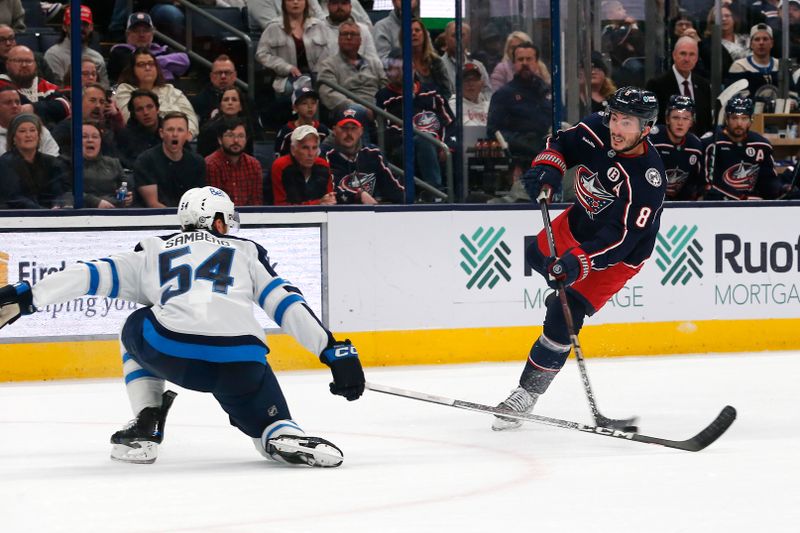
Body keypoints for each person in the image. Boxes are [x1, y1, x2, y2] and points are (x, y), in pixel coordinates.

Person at [0, 185, 365, 467]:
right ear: (218, 222)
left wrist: (28, 296)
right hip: (242, 363)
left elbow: (88, 274)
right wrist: (332, 350)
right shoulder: (247, 250)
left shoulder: (151, 250)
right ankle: (281, 430)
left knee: (133, 327)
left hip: (175, 353)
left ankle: (147, 420)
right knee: (256, 381)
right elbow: (285, 303)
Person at [491, 87, 665, 430]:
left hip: (617, 256)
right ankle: (561, 288)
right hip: (577, 223)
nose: (616, 127)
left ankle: (526, 394)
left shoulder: (647, 181)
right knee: (535, 253)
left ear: (645, 128)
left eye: (627, 122)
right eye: (615, 117)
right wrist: (550, 171)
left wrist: (575, 264)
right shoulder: (597, 130)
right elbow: (560, 145)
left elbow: (621, 239)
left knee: (563, 313)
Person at [375, 48, 453, 193]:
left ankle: (458, 194)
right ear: (389, 72)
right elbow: (385, 134)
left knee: (455, 150)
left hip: (437, 146)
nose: (402, 73)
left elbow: (451, 123)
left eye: (406, 67)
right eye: (396, 69)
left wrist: (447, 144)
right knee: (424, 141)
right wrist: (421, 138)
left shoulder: (432, 92)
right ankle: (435, 192)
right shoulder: (384, 97)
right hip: (402, 148)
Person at [701, 96, 782, 200]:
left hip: (754, 205)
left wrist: (781, 188)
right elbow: (709, 184)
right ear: (726, 119)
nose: (739, 123)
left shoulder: (762, 145)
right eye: (734, 118)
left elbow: (769, 180)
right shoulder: (711, 144)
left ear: (751, 120)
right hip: (721, 205)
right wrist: (741, 198)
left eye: (744, 118)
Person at [322, 105, 404, 204]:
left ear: (361, 131)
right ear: (334, 130)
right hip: (336, 215)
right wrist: (359, 195)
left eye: (353, 128)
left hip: (369, 215)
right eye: (344, 128)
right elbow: (330, 195)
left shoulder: (373, 154)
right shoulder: (325, 155)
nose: (349, 133)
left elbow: (393, 189)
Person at [487, 42, 552, 162]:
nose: (525, 63)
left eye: (529, 59)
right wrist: (526, 144)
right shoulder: (503, 95)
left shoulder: (547, 92)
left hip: (550, 157)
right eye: (520, 59)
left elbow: (562, 120)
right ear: (514, 64)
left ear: (537, 63)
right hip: (519, 158)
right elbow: (493, 131)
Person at [113, 48, 199, 137]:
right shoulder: (124, 91)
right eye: (141, 65)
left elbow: (191, 118)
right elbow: (129, 118)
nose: (147, 68)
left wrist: (188, 134)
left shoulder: (171, 90)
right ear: (132, 69)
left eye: (151, 64)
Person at [254, 0, 331, 97]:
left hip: (317, 76)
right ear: (284, 3)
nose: (295, 2)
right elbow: (261, 54)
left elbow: (328, 52)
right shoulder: (274, 27)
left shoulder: (319, 26)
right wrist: (286, 67)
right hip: (286, 78)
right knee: (297, 89)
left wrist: (316, 74)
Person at [134, 111, 206, 207]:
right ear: (161, 133)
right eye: (170, 129)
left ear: (188, 135)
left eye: (180, 130)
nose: (175, 134)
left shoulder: (197, 162)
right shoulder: (145, 161)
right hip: (155, 218)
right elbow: (152, 203)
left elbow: (198, 200)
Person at [645, 36, 713, 136]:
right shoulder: (656, 84)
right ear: (674, 55)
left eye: (692, 54)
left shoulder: (704, 85)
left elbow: (707, 123)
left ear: (697, 58)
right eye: (683, 53)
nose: (687, 59)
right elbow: (652, 122)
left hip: (697, 146)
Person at [0, 113, 69, 209]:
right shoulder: (5, 163)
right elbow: (14, 198)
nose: (28, 135)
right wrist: (44, 212)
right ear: (14, 138)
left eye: (32, 130)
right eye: (22, 131)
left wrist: (57, 205)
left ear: (38, 135)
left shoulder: (52, 162)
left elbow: (60, 191)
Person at [107, 12, 190, 84]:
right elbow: (131, 66)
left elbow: (184, 60)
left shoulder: (163, 49)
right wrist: (165, 65)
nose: (141, 35)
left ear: (152, 33)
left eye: (146, 30)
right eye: (136, 31)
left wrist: (148, 63)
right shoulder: (119, 51)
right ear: (128, 34)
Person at [649, 95, 705, 201]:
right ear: (667, 119)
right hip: (650, 200)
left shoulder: (695, 145)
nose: (680, 123)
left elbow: (696, 182)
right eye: (675, 117)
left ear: (691, 122)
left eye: (686, 118)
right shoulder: (652, 139)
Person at [0, 45, 71, 126]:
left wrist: (34, 108)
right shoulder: (2, 83)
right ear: (7, 64)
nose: (24, 65)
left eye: (28, 61)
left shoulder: (47, 86)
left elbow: (64, 106)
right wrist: (47, 110)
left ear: (35, 65)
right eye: (18, 61)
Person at [43, 5, 110, 87]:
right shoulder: (53, 55)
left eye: (85, 24)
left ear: (91, 27)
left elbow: (105, 90)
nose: (80, 28)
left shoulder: (98, 58)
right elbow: (57, 89)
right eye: (75, 24)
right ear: (64, 27)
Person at [271, 124, 337, 205]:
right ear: (293, 149)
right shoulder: (280, 166)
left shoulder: (323, 165)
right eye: (305, 148)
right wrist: (317, 203)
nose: (311, 153)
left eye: (314, 148)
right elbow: (280, 207)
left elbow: (330, 199)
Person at [204, 117, 264, 206]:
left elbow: (256, 202)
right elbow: (214, 203)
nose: (236, 141)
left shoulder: (254, 165)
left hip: (250, 217)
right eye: (230, 135)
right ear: (220, 140)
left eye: (240, 136)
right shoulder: (211, 164)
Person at [80, 121, 133, 208]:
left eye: (95, 137)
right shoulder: (66, 163)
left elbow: (125, 185)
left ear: (100, 141)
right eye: (84, 137)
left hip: (114, 211)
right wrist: (96, 202)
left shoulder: (113, 163)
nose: (90, 140)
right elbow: (67, 193)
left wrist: (127, 197)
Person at [0, 85, 60, 156]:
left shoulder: (40, 130)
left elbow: (54, 160)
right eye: (8, 103)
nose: (15, 106)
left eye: (17, 102)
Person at [196, 86, 255, 157]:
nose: (230, 103)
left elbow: (249, 155)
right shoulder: (208, 129)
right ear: (220, 106)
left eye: (234, 99)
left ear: (240, 106)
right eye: (226, 100)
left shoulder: (247, 127)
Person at [274, 86, 331, 157]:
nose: (310, 106)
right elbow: (279, 156)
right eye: (304, 103)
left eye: (313, 103)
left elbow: (328, 154)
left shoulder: (322, 130)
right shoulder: (286, 131)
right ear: (295, 107)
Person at [727, 23, 779, 96]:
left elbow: (792, 93)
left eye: (765, 39)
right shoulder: (739, 66)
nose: (761, 43)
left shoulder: (780, 65)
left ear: (772, 43)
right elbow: (735, 97)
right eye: (757, 39)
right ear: (751, 44)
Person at [442, 21, 492, 98]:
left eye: (462, 35)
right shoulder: (438, 66)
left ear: (468, 39)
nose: (458, 39)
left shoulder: (478, 66)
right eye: (454, 35)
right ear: (446, 39)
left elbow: (488, 93)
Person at [116, 88, 161, 170]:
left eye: (149, 107)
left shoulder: (170, 129)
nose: (146, 112)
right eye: (139, 109)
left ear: (157, 109)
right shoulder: (125, 136)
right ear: (134, 115)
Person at [190, 55, 238, 127]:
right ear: (211, 76)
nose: (223, 76)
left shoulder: (246, 101)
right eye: (218, 73)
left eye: (227, 72)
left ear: (234, 76)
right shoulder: (197, 102)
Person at [448, 62, 489, 126]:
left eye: (475, 79)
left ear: (482, 83)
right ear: (458, 85)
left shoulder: (488, 105)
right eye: (466, 80)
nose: (471, 84)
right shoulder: (454, 105)